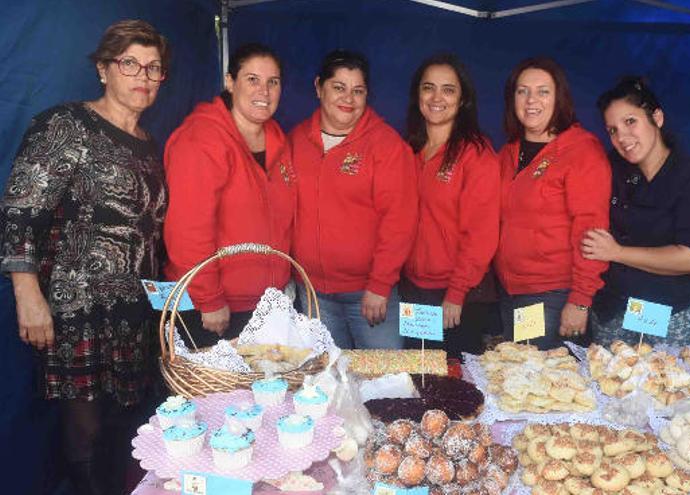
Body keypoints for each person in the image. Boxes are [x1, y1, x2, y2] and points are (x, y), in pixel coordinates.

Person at [0, 20, 169, 495]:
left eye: (154, 68)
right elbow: (19, 212)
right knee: (85, 430)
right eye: (130, 63)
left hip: (133, 312)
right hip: (76, 309)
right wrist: (28, 296)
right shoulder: (66, 125)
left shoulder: (149, 144)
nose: (144, 75)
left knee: (123, 426)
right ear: (103, 69)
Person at [163, 43, 295, 348]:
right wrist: (209, 298)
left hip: (266, 304)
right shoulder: (200, 139)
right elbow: (187, 229)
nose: (264, 91)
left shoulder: (278, 139)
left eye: (272, 82)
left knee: (269, 394)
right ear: (229, 81)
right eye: (252, 79)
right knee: (218, 395)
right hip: (214, 308)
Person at [289, 50, 417, 349]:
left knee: (386, 383)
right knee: (327, 384)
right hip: (313, 294)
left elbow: (399, 221)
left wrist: (380, 285)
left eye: (358, 91)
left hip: (369, 295)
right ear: (319, 87)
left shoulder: (386, 146)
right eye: (339, 87)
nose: (349, 98)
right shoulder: (295, 140)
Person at [582, 76, 690, 346]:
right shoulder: (609, 168)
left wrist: (617, 252)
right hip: (612, 311)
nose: (622, 137)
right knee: (607, 385)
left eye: (630, 121)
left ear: (656, 117)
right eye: (612, 130)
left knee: (667, 385)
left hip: (667, 315)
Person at [494, 57, 612, 350]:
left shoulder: (581, 152)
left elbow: (591, 230)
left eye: (543, 91)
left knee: (535, 382)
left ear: (559, 97)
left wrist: (581, 300)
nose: (531, 100)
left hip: (552, 294)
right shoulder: (508, 152)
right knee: (518, 373)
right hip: (510, 290)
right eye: (522, 91)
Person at [400, 54, 501, 358]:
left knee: (454, 387)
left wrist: (457, 292)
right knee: (418, 376)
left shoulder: (476, 154)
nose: (436, 98)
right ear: (417, 95)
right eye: (428, 87)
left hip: (459, 295)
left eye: (448, 89)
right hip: (414, 290)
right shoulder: (408, 150)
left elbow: (481, 233)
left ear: (463, 99)